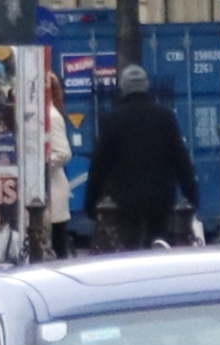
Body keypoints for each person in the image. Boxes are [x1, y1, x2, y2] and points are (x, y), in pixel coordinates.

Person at [84, 64, 197, 252]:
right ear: (146, 86)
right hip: (161, 198)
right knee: (159, 245)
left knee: (129, 249)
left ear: (123, 88)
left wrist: (91, 203)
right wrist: (192, 196)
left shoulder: (111, 120)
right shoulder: (165, 116)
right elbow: (181, 160)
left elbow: (99, 166)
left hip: (125, 201)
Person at [44, 72, 74, 261]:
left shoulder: (52, 117)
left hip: (53, 189)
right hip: (49, 190)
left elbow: (64, 153)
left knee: (57, 242)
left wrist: (42, 164)